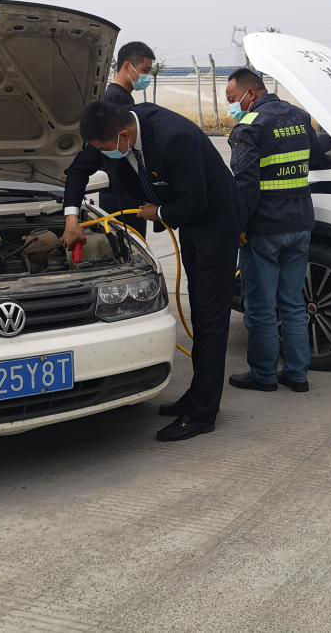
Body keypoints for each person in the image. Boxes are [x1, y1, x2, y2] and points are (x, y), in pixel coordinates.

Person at [78, 100, 240, 441]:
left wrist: (160, 212)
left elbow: (196, 200)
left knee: (210, 320)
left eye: (106, 149)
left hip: (216, 225)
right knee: (201, 314)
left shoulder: (174, 138)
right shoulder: (131, 129)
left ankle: (203, 413)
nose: (106, 155)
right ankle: (196, 396)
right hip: (194, 225)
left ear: (123, 136)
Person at [224, 68, 329, 394]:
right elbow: (317, 158)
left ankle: (264, 374)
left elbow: (244, 183)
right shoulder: (300, 116)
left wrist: (239, 226)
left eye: (232, 99)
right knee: (293, 303)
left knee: (261, 307)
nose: (231, 106)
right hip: (300, 224)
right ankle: (297, 374)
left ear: (251, 93)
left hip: (264, 229)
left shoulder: (250, 126)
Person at [63, 42, 155, 249]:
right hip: (121, 194)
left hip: (123, 193)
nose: (147, 77)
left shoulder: (120, 96)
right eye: (145, 70)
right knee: (130, 250)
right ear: (127, 66)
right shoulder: (116, 99)